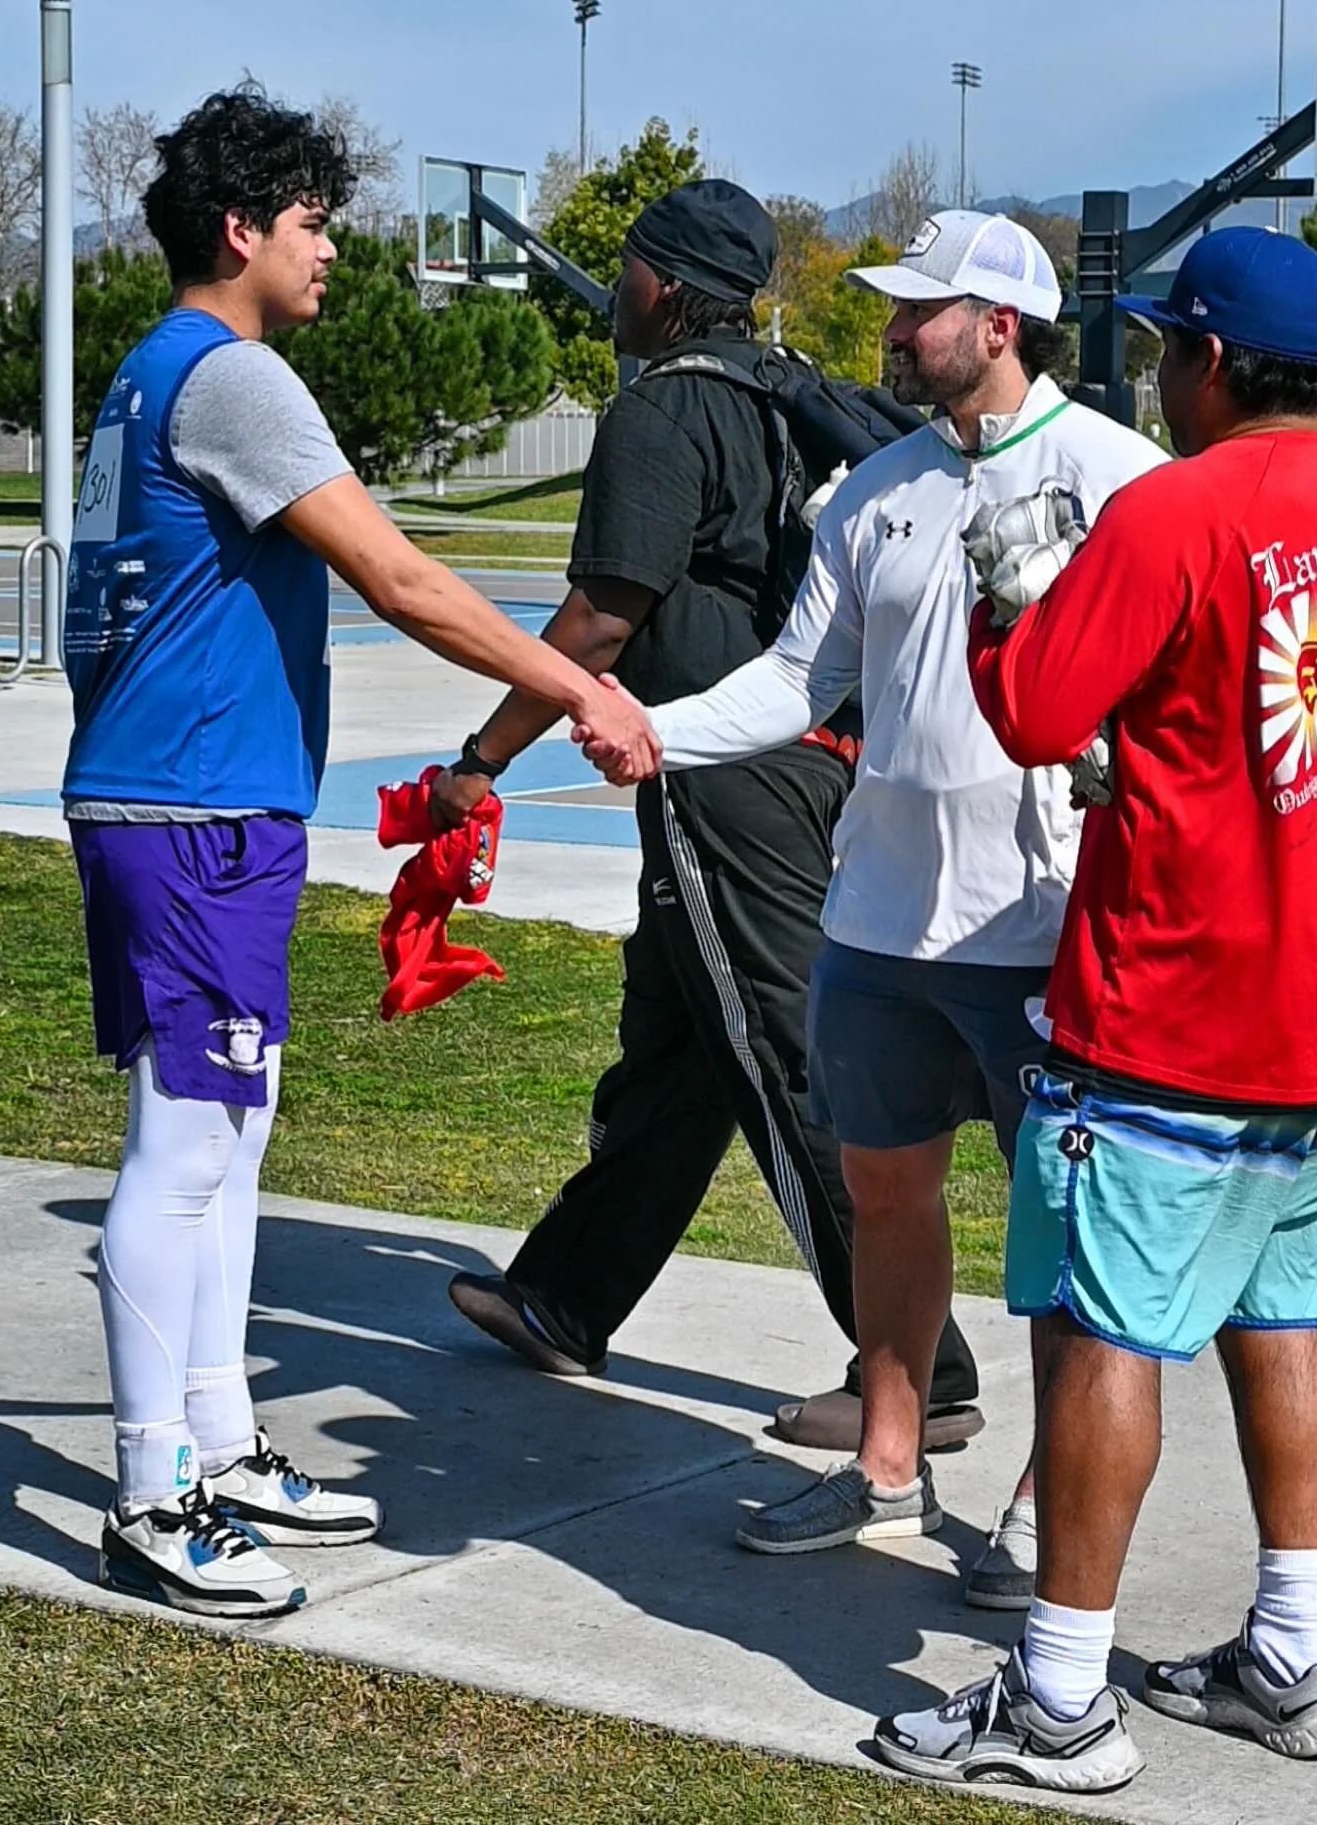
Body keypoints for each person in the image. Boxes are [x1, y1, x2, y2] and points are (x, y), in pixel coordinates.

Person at [62, 87, 656, 1617]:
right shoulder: (233, 377)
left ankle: (219, 1440)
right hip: (191, 811)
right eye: (314, 222)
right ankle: (153, 1495)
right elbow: (399, 577)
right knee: (186, 1143)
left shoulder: (148, 372)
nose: (332, 250)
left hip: (188, 803)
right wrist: (580, 687)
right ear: (241, 229)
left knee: (234, 1130)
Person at [583, 212, 1165, 1597]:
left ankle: (1049, 1499)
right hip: (879, 928)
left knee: (1062, 1231)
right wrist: (658, 729)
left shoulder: (1123, 482)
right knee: (887, 1199)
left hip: (1045, 931)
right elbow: (800, 680)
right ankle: (888, 1468)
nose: (895, 334)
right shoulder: (874, 492)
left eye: (921, 312)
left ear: (1001, 327)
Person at [872, 228, 1317, 1793]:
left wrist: (1007, 602)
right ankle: (1294, 1651)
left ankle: (1060, 1694)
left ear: (1212, 362)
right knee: (1284, 1317)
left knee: (1103, 1335)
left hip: (1170, 1003)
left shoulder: (1177, 505)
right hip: (1308, 1015)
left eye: (1170, 351)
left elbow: (1039, 709)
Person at [439, 179, 984, 1454]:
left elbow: (601, 620)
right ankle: (568, 1294)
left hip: (721, 779)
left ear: (669, 286)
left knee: (781, 1049)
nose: (615, 290)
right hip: (801, 760)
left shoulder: (665, 408)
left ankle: (918, 1371)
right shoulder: (782, 393)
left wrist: (482, 758)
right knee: (682, 1040)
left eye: (630, 266)